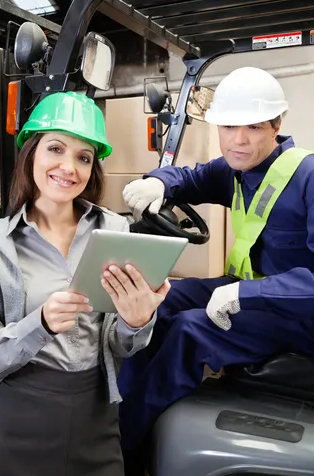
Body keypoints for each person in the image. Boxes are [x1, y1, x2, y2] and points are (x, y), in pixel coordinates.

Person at [0, 91, 170, 476]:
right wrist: (37, 324)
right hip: (14, 419)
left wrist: (136, 322)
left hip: (94, 418)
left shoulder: (116, 231)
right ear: (32, 153)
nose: (68, 167)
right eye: (56, 149)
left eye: (83, 157)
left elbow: (121, 347)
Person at [118, 67, 314, 471]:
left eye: (254, 127)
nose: (238, 139)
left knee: (191, 329)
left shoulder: (308, 176)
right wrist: (159, 183)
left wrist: (245, 294)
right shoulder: (237, 171)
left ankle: (124, 448)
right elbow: (190, 178)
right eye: (228, 126)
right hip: (252, 293)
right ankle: (121, 406)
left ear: (277, 125)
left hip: (299, 313)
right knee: (160, 298)